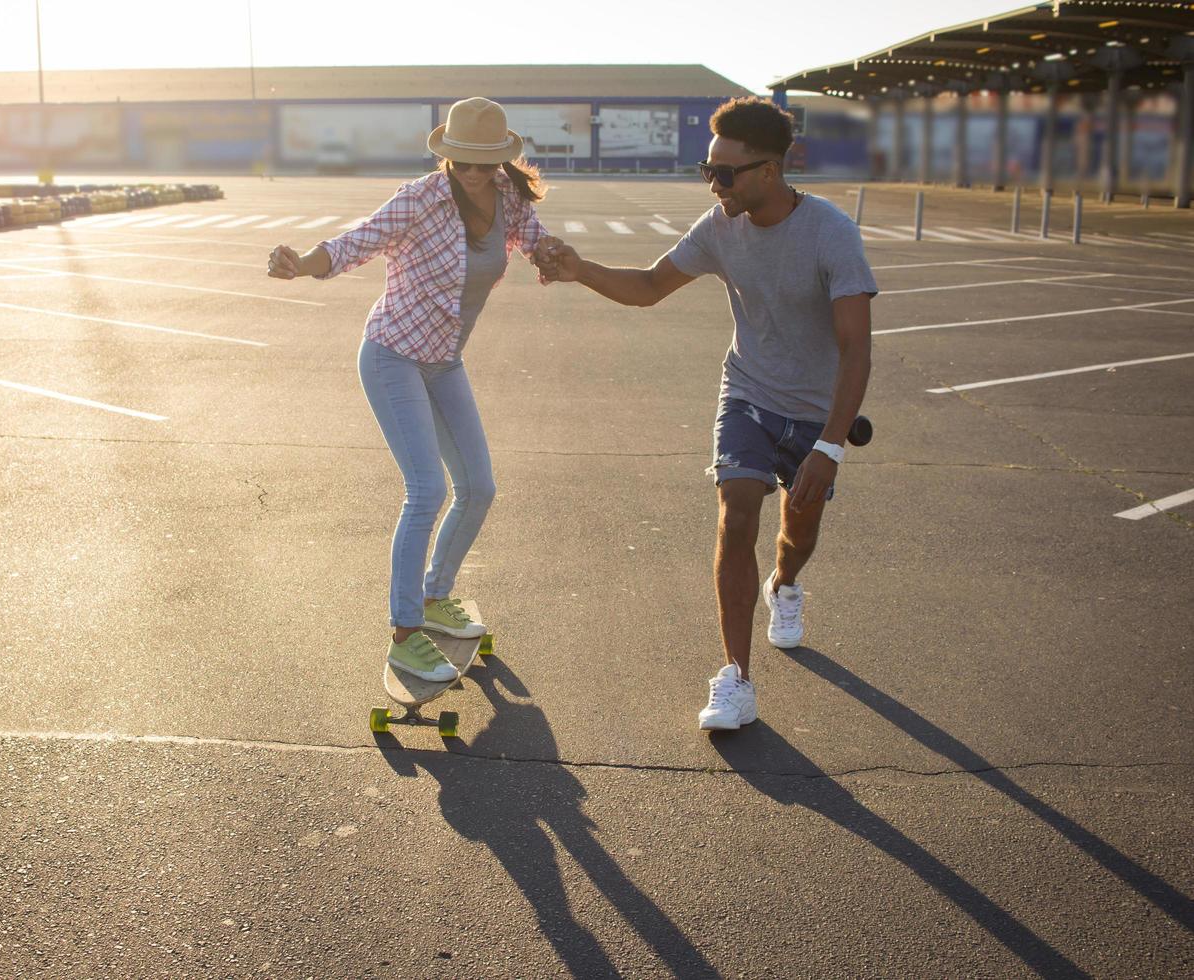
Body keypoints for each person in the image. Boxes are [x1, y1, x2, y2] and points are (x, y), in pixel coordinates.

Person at [535, 97, 877, 731]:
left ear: (770, 171)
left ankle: (787, 584)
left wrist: (829, 449)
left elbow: (856, 348)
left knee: (797, 531)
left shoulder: (831, 233)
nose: (713, 183)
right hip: (748, 392)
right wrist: (579, 269)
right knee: (736, 509)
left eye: (726, 172)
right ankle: (737, 679)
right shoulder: (719, 227)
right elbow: (647, 287)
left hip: (816, 412)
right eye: (707, 169)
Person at [267, 97, 551, 683]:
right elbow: (357, 242)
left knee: (477, 487)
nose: (471, 173)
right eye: (461, 162)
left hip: (444, 362)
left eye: (482, 163)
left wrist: (555, 258)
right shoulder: (422, 197)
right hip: (393, 355)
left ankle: (434, 596)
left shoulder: (507, 198)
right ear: (447, 157)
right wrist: (303, 264)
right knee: (425, 491)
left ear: (499, 159)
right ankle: (404, 632)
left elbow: (536, 240)